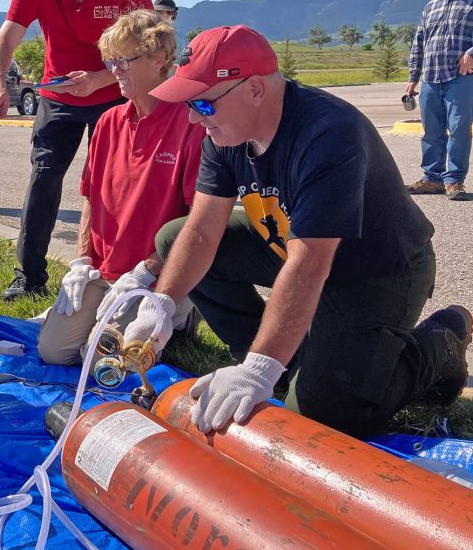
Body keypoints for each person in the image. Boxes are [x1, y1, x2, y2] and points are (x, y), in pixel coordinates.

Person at [122, 24, 470, 439]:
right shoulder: (223, 131)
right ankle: (282, 363)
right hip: (294, 245)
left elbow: (310, 264)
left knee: (326, 411)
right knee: (174, 238)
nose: (195, 119)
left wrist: (259, 368)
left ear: (254, 90)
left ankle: (440, 341)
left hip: (376, 270)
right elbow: (200, 231)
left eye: (204, 105)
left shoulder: (328, 132)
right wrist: (161, 302)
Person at [0, 0, 152, 300]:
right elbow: (5, 40)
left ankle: (117, 274)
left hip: (111, 92)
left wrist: (99, 79)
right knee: (44, 177)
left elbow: (146, 48)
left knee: (111, 183)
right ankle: (29, 276)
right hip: (59, 95)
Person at [38, 9, 205, 367]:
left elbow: (198, 220)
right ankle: (113, 309)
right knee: (53, 352)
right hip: (105, 270)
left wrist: (149, 270)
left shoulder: (190, 124)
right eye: (110, 60)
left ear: (159, 60)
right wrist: (81, 262)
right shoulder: (108, 123)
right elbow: (90, 199)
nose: (114, 70)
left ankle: (182, 310)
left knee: (101, 364)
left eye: (123, 60)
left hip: (154, 274)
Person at [406, 0, 473, 202]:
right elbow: (419, 41)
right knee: (431, 131)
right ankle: (432, 178)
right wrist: (413, 75)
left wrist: (471, 53)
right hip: (431, 77)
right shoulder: (431, 5)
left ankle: (454, 180)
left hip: (461, 77)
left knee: (458, 129)